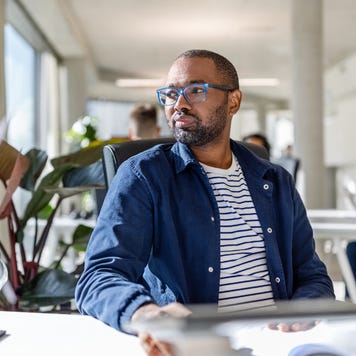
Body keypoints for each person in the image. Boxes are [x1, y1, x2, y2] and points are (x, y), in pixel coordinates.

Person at [75, 49, 334, 354]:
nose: (179, 104)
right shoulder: (144, 175)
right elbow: (98, 276)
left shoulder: (276, 181)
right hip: (201, 345)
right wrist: (148, 315)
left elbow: (312, 275)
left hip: (280, 344)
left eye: (195, 91)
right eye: (171, 94)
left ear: (233, 101)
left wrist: (301, 314)